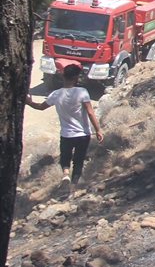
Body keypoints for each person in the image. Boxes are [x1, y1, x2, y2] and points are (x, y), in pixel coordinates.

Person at [26, 63, 103, 196]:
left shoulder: (56, 94)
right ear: (77, 77)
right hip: (83, 134)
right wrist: (98, 130)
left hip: (66, 134)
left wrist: (28, 102)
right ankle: (72, 188)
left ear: (63, 76)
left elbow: (40, 107)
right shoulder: (82, 92)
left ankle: (65, 173)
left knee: (65, 158)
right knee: (78, 161)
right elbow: (90, 112)